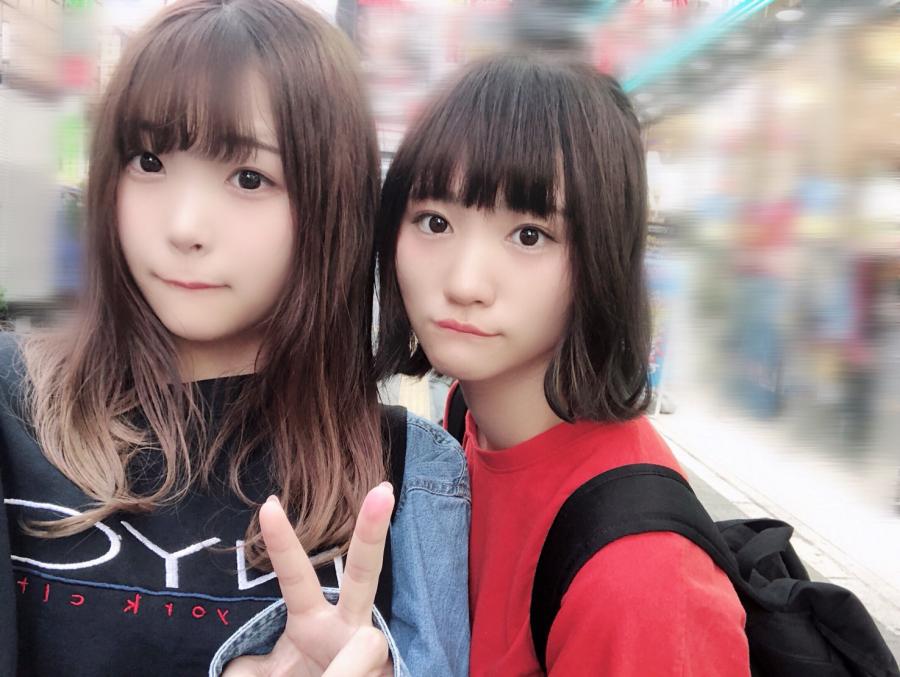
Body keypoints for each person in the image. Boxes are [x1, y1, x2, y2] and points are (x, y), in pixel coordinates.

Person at [0, 2, 469, 675]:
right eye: (148, 161)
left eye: (249, 178)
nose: (185, 226)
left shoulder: (406, 474)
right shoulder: (14, 407)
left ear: (331, 204)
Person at [374, 53, 750, 675]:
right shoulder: (467, 419)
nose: (465, 283)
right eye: (434, 221)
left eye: (530, 234)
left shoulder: (640, 583)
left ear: (602, 257)